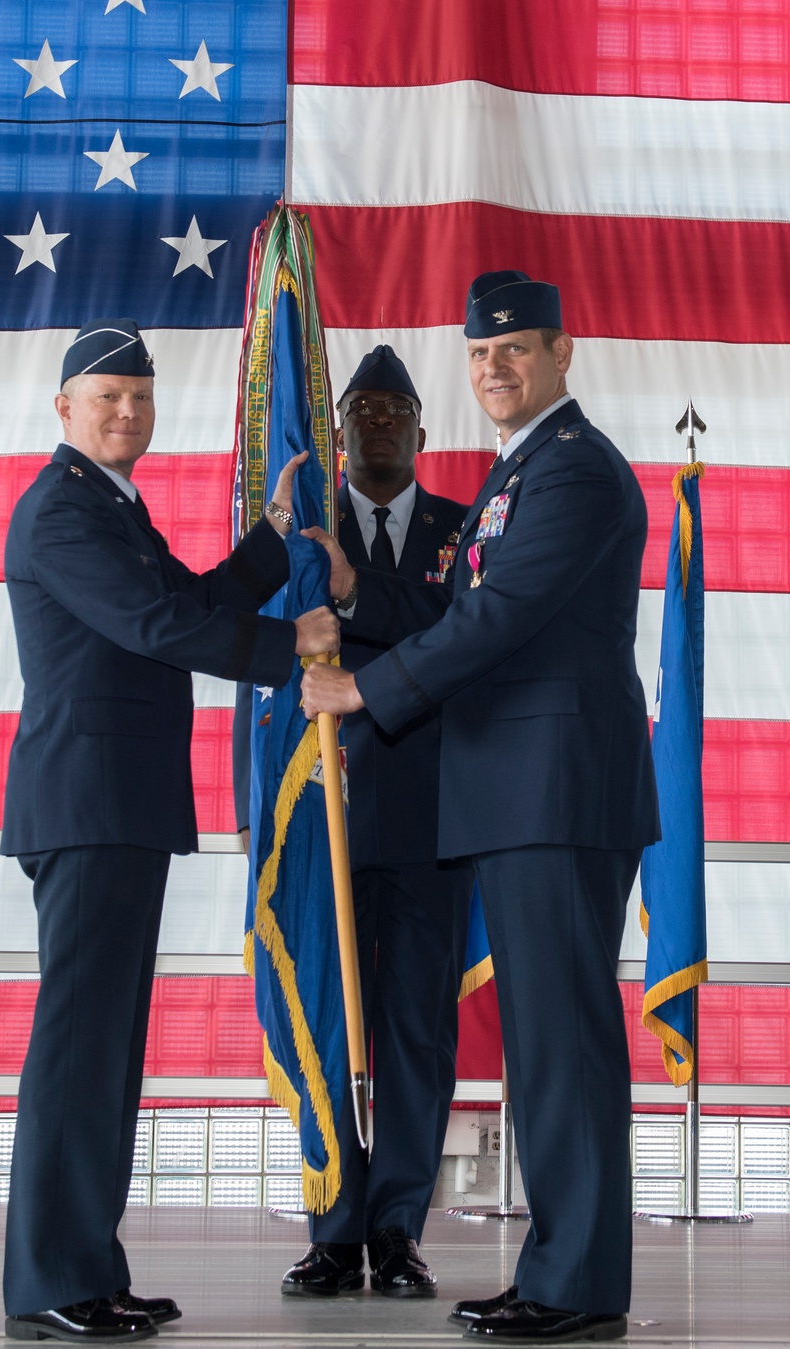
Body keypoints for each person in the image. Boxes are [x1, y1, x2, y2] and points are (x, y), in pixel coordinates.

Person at [301, 273, 660, 1343]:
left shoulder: (577, 473)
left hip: (553, 792)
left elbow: (496, 619)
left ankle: (577, 1281)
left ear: (560, 352)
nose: (493, 368)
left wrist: (365, 685)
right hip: (516, 794)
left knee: (565, 1044)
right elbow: (454, 600)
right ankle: (559, 1267)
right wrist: (358, 593)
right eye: (478, 354)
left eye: (513, 349)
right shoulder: (520, 473)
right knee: (544, 1044)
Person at [0, 318, 339, 1344]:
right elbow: (158, 628)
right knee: (79, 1047)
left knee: (104, 1049)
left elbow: (180, 600)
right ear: (63, 408)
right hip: (89, 803)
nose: (128, 411)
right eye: (108, 395)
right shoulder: (60, 512)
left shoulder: (109, 506)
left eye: (141, 395)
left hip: (118, 804)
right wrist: (294, 644)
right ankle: (52, 1275)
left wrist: (273, 544)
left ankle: (87, 1267)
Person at [236, 346, 473, 1299]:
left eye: (394, 410)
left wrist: (356, 599)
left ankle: (398, 1230)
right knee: (327, 1026)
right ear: (335, 433)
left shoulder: (465, 533)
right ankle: (335, 1224)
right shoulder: (304, 532)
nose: (377, 422)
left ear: (421, 429)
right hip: (319, 821)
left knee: (416, 1033)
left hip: (429, 825)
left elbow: (462, 630)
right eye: (360, 410)